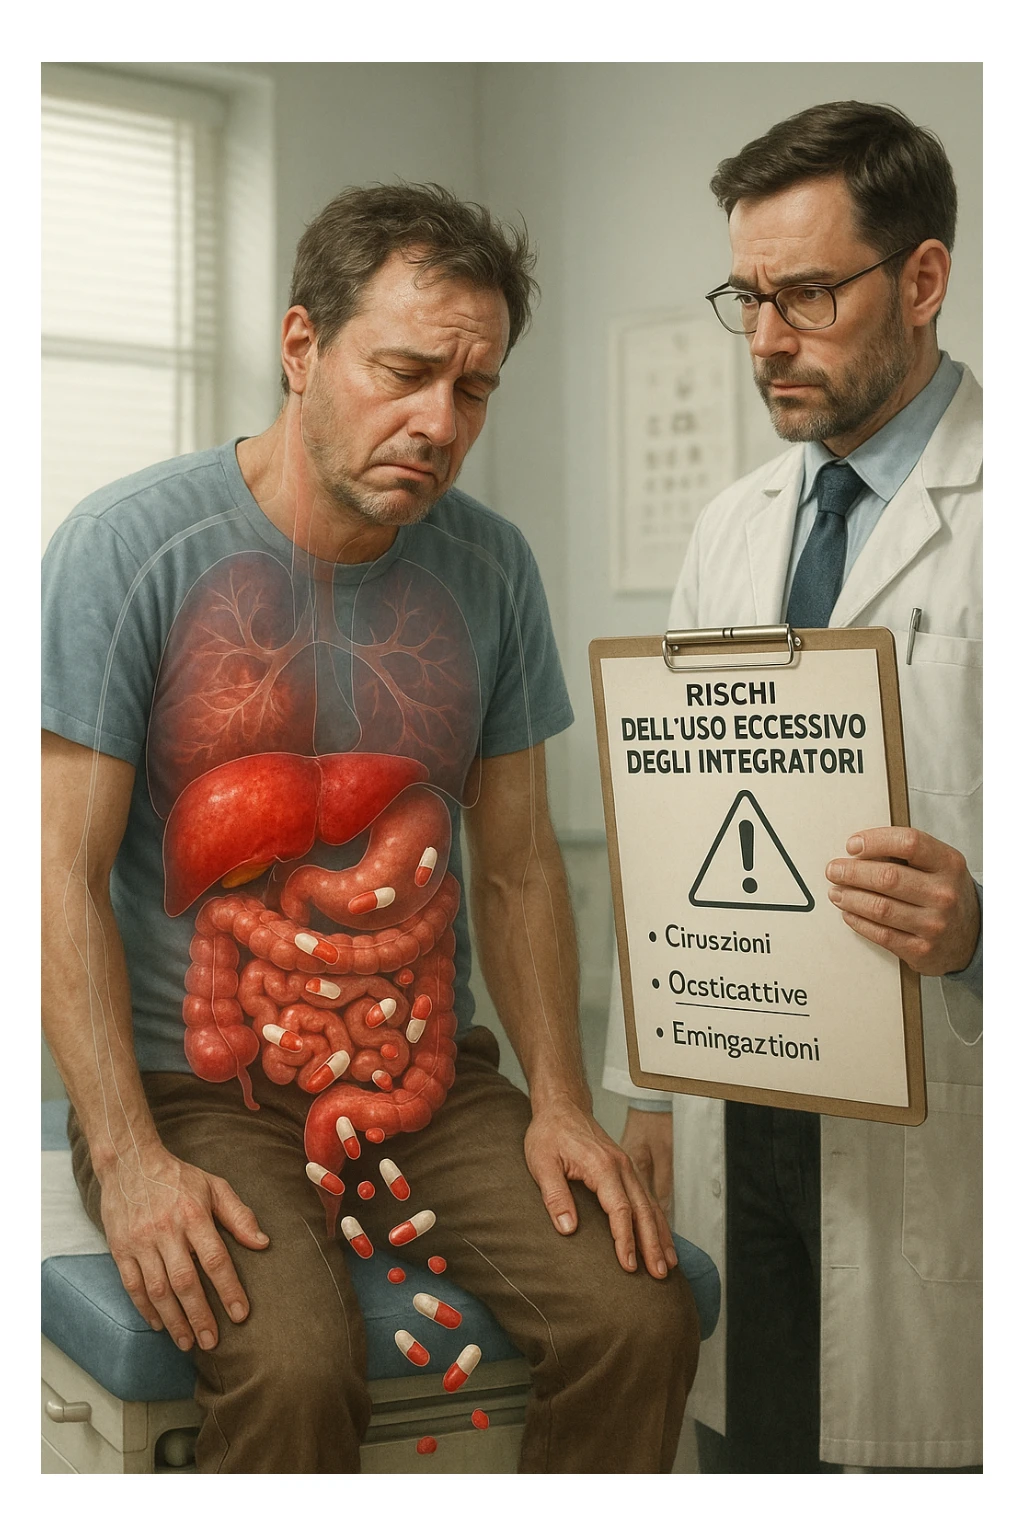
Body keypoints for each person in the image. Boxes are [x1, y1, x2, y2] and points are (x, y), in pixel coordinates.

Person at [42, 182, 699, 1474]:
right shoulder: (129, 550)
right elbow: (55, 871)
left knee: (639, 1316)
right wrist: (124, 1155)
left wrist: (560, 1101)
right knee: (290, 1370)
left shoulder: (493, 567)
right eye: (404, 371)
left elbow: (514, 870)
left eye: (474, 388)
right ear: (302, 348)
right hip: (201, 1091)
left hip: (432, 1083)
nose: (439, 423)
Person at [604, 102, 981, 1473]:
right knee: (748, 1448)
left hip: (940, 1157)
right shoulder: (733, 528)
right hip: (733, 1123)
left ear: (924, 279)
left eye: (807, 295)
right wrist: (642, 1096)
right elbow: (674, 825)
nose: (765, 340)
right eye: (747, 298)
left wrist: (986, 931)